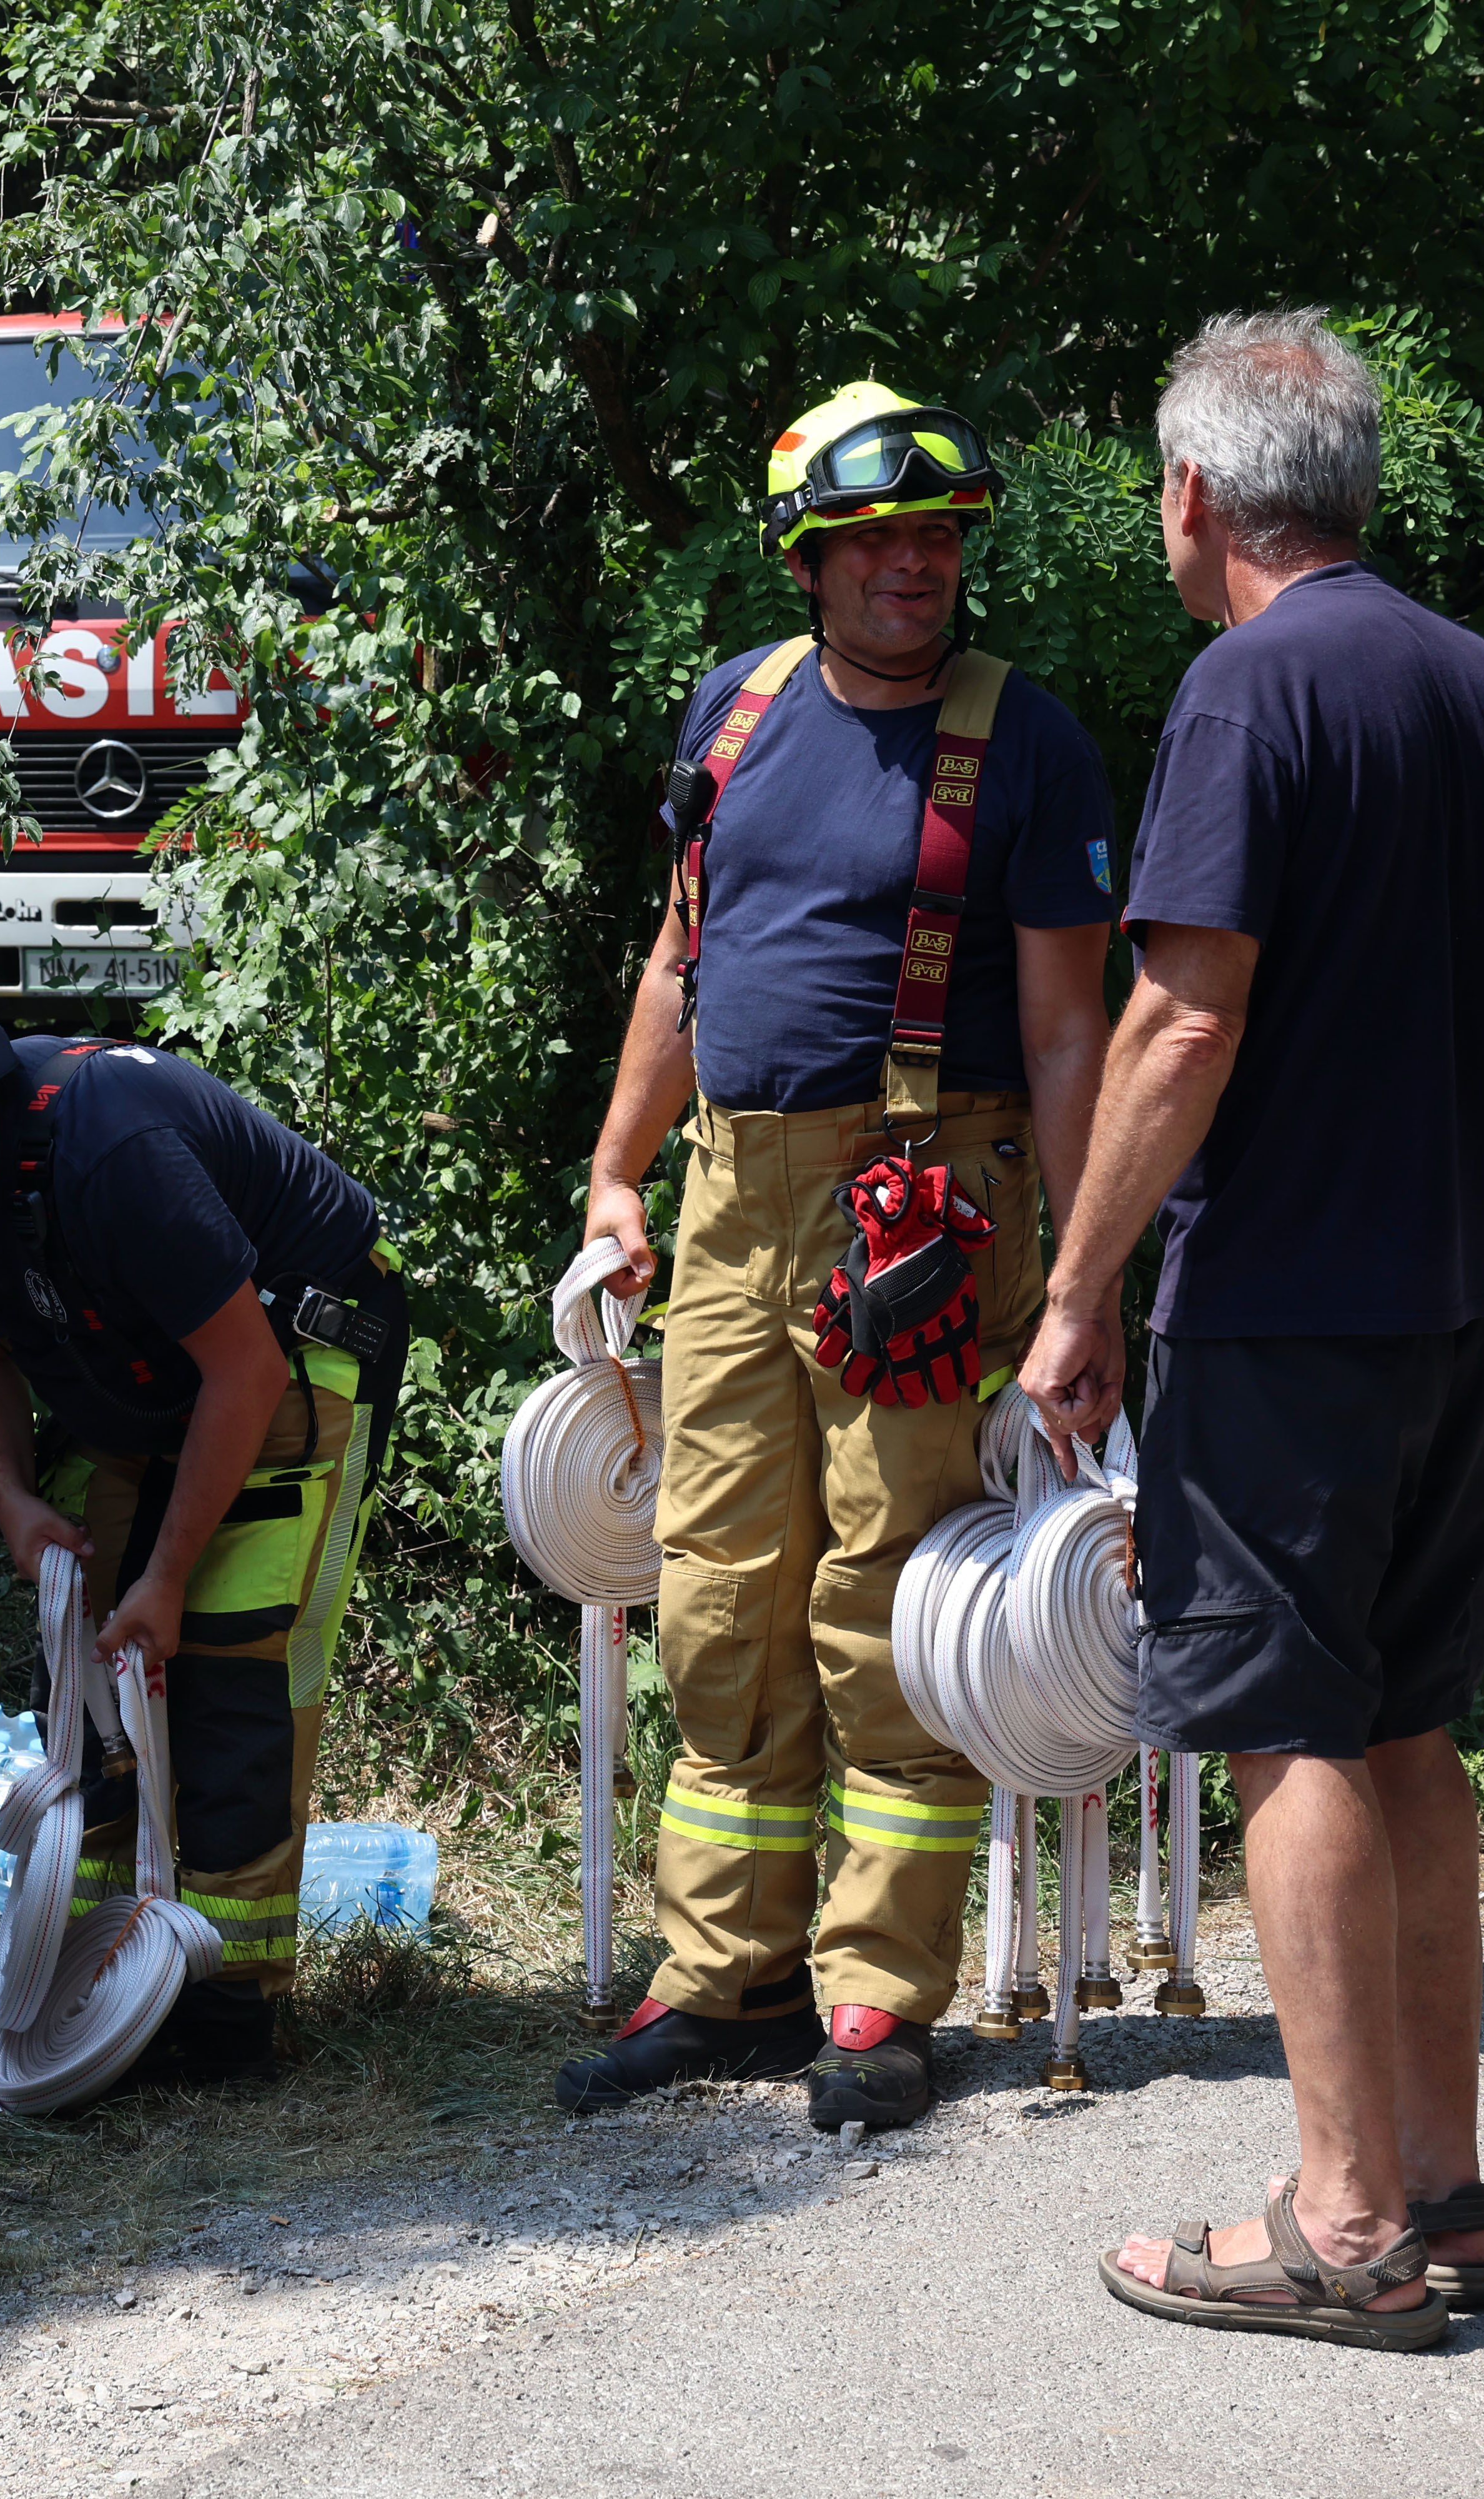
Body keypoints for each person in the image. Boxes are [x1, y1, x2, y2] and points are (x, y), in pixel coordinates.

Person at [1021, 312, 1484, 2348]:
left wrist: (1079, 1293)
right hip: (1462, 1297)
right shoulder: (1481, 684)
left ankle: (1341, 2220)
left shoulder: (1249, 693)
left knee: (1292, 1730)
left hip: (1285, 1309)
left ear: (1194, 492)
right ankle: (1445, 2190)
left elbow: (1180, 1014)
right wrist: (1477, 1214)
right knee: (1410, 1726)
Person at [558, 384, 1115, 2132]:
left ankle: (878, 1995)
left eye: (940, 541)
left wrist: (1089, 1288)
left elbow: (1073, 1036)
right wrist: (615, 1179)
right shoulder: (734, 708)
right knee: (715, 1591)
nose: (914, 569)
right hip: (728, 1203)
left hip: (924, 1214)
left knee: (891, 1596)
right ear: (808, 556)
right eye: (877, 540)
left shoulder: (1026, 743)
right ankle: (725, 1979)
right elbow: (677, 961)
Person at [0, 977, 402, 2087]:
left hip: (283, 1359)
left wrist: (174, 1571)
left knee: (230, 1670)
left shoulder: (108, 1148)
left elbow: (241, 1370)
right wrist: (10, 1494)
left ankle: (227, 2019)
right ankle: (103, 1980)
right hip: (144, 1378)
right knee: (101, 1683)